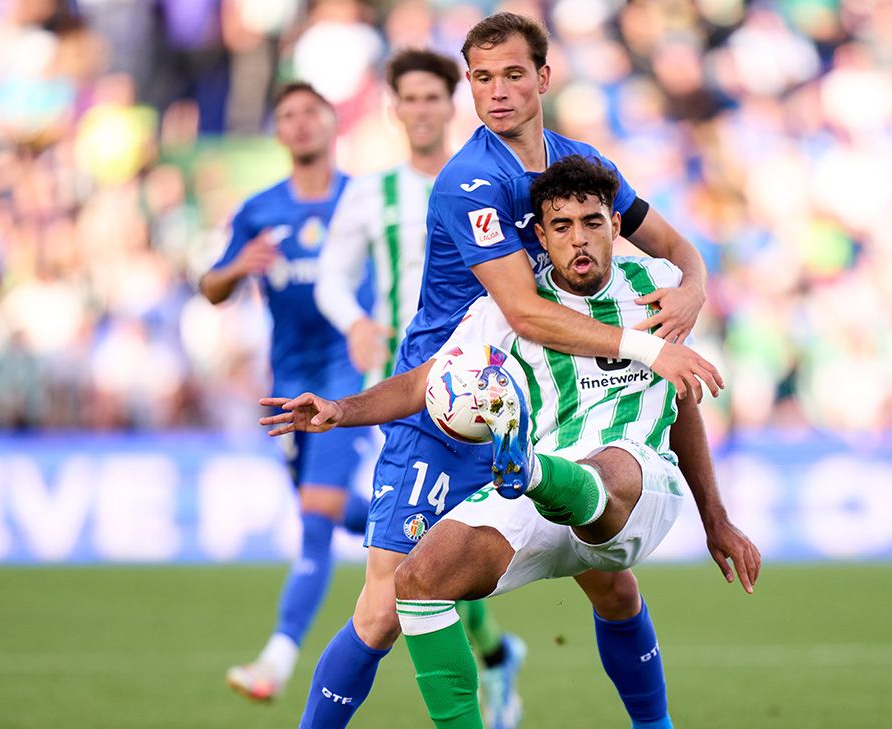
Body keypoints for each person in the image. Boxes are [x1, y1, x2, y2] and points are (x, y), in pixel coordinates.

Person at [286, 13, 735, 729]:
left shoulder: (578, 168)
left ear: (544, 78)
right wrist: (652, 346)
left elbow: (675, 245)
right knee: (384, 608)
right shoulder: (471, 180)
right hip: (448, 399)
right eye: (482, 78)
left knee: (611, 581)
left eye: (513, 74)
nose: (496, 92)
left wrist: (693, 286)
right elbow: (523, 314)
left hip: (535, 401)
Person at [314, 48, 526, 727]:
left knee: (595, 570)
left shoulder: (493, 181)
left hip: (499, 392)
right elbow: (331, 279)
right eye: (410, 98)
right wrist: (355, 322)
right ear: (395, 108)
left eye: (435, 97)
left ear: (450, 103)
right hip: (418, 392)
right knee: (392, 590)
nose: (423, 109)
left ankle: (496, 658)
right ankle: (495, 659)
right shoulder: (372, 193)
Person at [199, 81, 368, 702]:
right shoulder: (260, 210)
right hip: (287, 383)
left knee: (314, 522)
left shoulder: (364, 200)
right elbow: (211, 287)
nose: (299, 124)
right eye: (287, 116)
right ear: (278, 132)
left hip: (350, 381)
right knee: (322, 505)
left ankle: (278, 654)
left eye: (309, 114)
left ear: (331, 123)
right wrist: (235, 269)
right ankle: (426, 527)